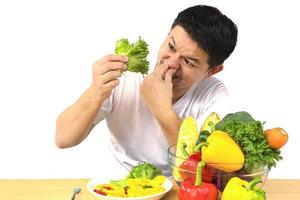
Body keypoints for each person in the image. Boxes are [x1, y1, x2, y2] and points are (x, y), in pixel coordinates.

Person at [55, 5, 238, 175]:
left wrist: (163, 111)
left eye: (188, 61)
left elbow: (204, 172)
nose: (171, 62)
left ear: (211, 71)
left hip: (180, 187)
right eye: (171, 46)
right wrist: (96, 91)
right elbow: (63, 139)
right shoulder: (124, 77)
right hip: (121, 183)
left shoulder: (214, 95)